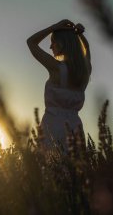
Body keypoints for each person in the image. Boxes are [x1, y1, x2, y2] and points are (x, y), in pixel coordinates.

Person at [26, 19, 92, 149]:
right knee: (76, 168)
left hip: (52, 128)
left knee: (49, 167)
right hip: (76, 130)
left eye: (53, 42)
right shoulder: (85, 71)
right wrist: (79, 35)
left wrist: (54, 26)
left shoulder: (56, 68)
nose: (51, 47)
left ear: (62, 44)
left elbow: (31, 42)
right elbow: (87, 49)